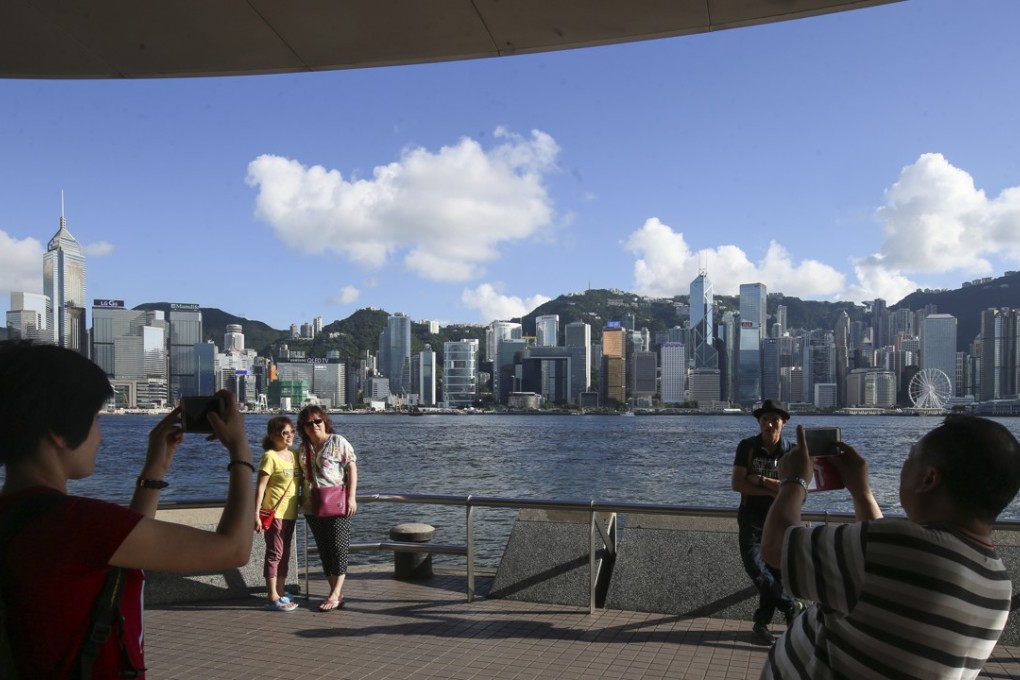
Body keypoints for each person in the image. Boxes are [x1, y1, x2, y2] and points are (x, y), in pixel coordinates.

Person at [0, 340, 254, 678]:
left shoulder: (21, 516)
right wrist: (241, 453)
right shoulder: (76, 523)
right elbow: (234, 549)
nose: (100, 438)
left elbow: (122, 547)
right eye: (94, 420)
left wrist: (154, 471)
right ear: (59, 432)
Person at [761, 414, 1020, 679]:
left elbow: (775, 546)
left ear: (929, 479)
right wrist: (861, 492)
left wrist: (794, 481)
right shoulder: (998, 586)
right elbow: (877, 575)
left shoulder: (901, 545)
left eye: (910, 458)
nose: (903, 467)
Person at [731, 399, 802, 646]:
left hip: (781, 518)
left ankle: (761, 624)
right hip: (751, 517)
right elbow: (737, 484)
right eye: (764, 420)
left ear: (784, 423)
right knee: (755, 566)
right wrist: (774, 490)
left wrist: (760, 480)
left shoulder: (792, 452)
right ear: (759, 423)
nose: (769, 424)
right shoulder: (747, 447)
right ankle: (791, 606)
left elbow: (798, 490)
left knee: (775, 572)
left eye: (774, 420)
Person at [297, 405, 358, 612]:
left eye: (317, 421)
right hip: (311, 504)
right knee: (325, 551)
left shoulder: (337, 441)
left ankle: (334, 593)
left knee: (339, 548)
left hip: (337, 502)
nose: (314, 426)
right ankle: (336, 593)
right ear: (303, 427)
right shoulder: (303, 449)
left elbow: (351, 467)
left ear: (324, 421)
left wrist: (351, 497)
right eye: (308, 423)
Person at [254, 416, 300, 612]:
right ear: (273, 435)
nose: (289, 436)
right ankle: (272, 596)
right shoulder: (270, 456)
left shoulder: (295, 455)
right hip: (275, 513)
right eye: (284, 433)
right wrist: (255, 514)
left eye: (292, 431)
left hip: (291, 512)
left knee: (285, 554)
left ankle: (280, 592)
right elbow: (260, 487)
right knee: (275, 554)